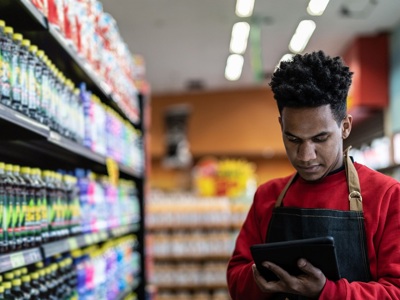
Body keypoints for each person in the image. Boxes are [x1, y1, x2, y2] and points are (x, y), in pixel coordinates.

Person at [226, 50, 400, 299]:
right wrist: (262, 275)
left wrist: (326, 291)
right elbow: (236, 280)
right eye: (293, 139)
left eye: (320, 138)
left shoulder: (388, 196)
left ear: (345, 127)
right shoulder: (268, 196)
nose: (305, 156)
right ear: (281, 126)